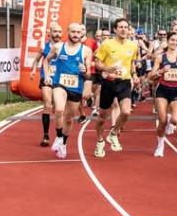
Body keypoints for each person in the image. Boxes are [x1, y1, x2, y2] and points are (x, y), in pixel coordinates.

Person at [92, 18, 140, 159]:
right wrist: (106, 68)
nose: (123, 29)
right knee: (102, 117)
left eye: (126, 27)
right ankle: (100, 141)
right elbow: (97, 63)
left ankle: (113, 133)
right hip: (109, 83)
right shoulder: (107, 44)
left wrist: (134, 74)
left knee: (126, 111)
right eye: (120, 27)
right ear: (115, 30)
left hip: (124, 82)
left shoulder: (133, 46)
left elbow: (131, 63)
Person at [46, 22, 92, 159]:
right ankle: (59, 136)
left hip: (76, 86)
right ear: (68, 32)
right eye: (73, 32)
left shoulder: (86, 51)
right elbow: (46, 60)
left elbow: (88, 74)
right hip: (59, 83)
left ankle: (64, 143)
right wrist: (47, 75)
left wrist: (85, 71)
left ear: (82, 34)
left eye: (78, 32)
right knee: (59, 109)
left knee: (69, 118)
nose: (76, 35)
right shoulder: (58, 47)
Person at [148, 31, 177, 158]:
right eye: (172, 40)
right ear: (167, 41)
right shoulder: (160, 57)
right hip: (162, 90)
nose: (174, 42)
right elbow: (151, 76)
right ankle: (160, 145)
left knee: (175, 120)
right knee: (162, 120)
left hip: (176, 91)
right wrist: (160, 72)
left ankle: (171, 122)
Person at [29, 22, 62, 146]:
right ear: (50, 33)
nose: (58, 34)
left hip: (59, 79)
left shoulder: (64, 47)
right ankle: (46, 135)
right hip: (46, 78)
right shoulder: (44, 46)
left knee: (58, 108)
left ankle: (59, 134)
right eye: (55, 32)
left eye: (60, 32)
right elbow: (36, 60)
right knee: (47, 104)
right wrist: (33, 70)